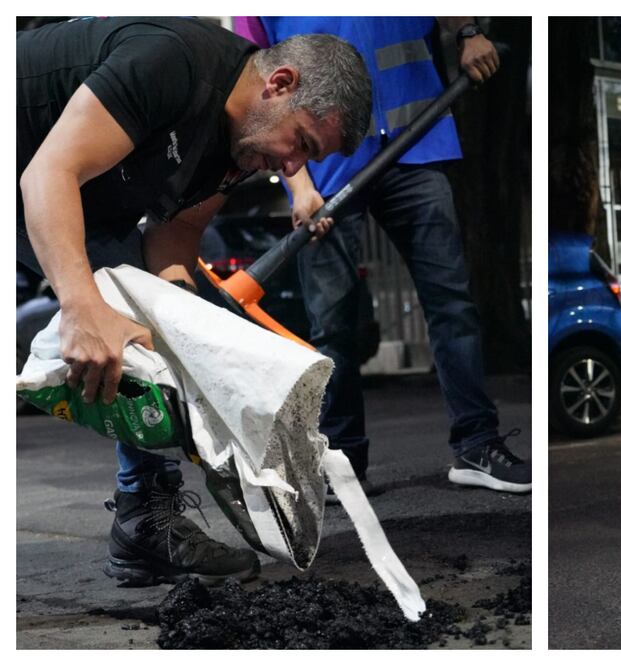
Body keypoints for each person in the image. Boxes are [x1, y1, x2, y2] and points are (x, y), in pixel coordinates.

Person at [17, 17, 372, 585]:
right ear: (278, 84)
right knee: (110, 311)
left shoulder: (240, 143)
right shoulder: (173, 61)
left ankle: (144, 523)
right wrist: (83, 308)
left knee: (171, 332)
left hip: (58, 187)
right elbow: (47, 173)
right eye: (301, 143)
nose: (292, 168)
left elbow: (173, 241)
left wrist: (198, 364)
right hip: (37, 169)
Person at [233, 17, 531, 494]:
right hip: (325, 167)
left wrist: (469, 32)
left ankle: (477, 444)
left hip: (416, 142)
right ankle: (343, 463)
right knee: (333, 326)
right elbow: (254, 82)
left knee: (452, 303)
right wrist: (299, 187)